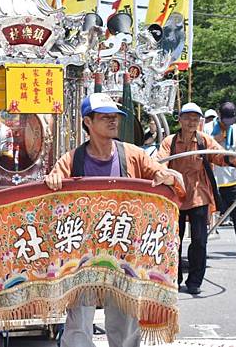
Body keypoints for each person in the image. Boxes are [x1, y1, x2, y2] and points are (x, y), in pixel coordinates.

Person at [45, 92, 185, 347]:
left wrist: (166, 176)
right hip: (83, 255)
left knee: (125, 318)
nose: (113, 122)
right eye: (105, 117)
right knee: (79, 320)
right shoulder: (72, 159)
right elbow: (53, 186)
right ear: (88, 122)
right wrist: (54, 181)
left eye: (115, 117)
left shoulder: (132, 154)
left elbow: (165, 175)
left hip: (123, 250)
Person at [156, 102, 236, 295]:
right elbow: (159, 163)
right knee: (173, 240)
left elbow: (221, 158)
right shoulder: (170, 142)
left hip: (198, 194)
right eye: (187, 118)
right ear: (179, 120)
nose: (191, 122)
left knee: (199, 240)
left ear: (200, 122)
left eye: (195, 118)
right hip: (175, 196)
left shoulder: (204, 140)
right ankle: (174, 278)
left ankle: (195, 281)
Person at [204, 102, 236, 260]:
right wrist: (215, 139)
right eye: (225, 120)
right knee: (205, 215)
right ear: (219, 115)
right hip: (212, 178)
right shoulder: (207, 129)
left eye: (231, 120)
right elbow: (201, 150)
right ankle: (200, 248)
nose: (228, 124)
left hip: (233, 178)